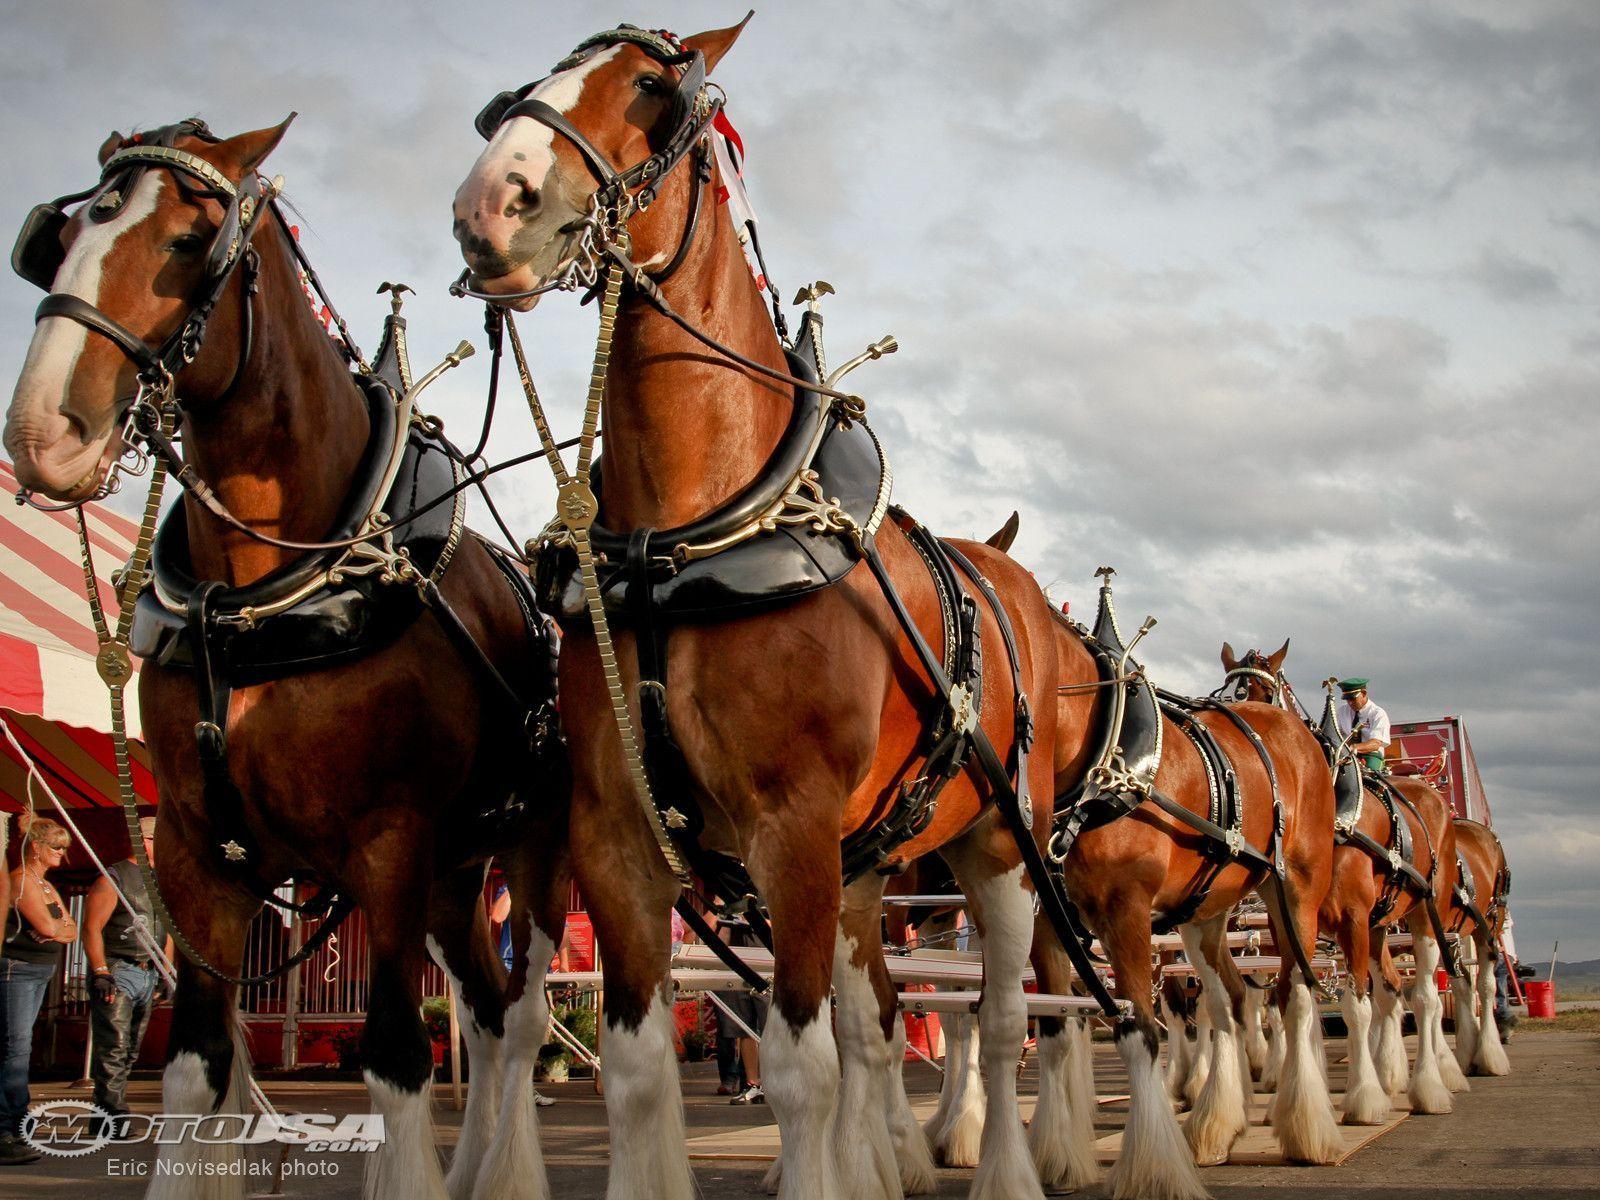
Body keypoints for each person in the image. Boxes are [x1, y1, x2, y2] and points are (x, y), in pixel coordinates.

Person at [83, 817, 172, 1134]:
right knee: (115, 1048)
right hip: (119, 969)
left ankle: (104, 1114)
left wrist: (165, 972)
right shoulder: (114, 877)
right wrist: (101, 971)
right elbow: (92, 927)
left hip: (147, 972)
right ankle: (111, 1117)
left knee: (130, 1049)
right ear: (145, 840)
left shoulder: (159, 880)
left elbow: (167, 931)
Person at [1, 818, 77, 1165]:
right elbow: (51, 925)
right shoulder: (21, 882)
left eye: (64, 847)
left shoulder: (44, 885)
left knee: (19, 1048)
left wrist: (57, 929)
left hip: (38, 971)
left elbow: (72, 928)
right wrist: (56, 928)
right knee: (15, 1049)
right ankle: (9, 1126)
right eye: (56, 846)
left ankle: (15, 1123)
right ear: (36, 848)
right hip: (18, 970)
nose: (62, 853)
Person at [487, 883, 554, 1107]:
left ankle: (524, 1089)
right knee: (508, 1029)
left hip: (537, 968)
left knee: (530, 1032)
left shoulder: (548, 886)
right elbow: (497, 915)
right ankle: (504, 1090)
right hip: (510, 964)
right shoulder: (509, 887)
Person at [712, 913, 766, 1105]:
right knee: (744, 1026)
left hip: (766, 960)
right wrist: (728, 923)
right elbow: (720, 941)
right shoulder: (733, 905)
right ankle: (753, 1084)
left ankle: (775, 1081)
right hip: (738, 963)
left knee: (771, 1024)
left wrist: (761, 922)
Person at [1336, 677, 1391, 773]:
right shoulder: (1341, 712)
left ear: (1364, 693)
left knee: (1368, 780)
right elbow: (1334, 735)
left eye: (1353, 698)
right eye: (1347, 699)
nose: (1350, 703)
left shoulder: (1378, 714)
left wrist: (1354, 747)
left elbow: (1375, 743)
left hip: (1371, 756)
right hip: (1345, 756)